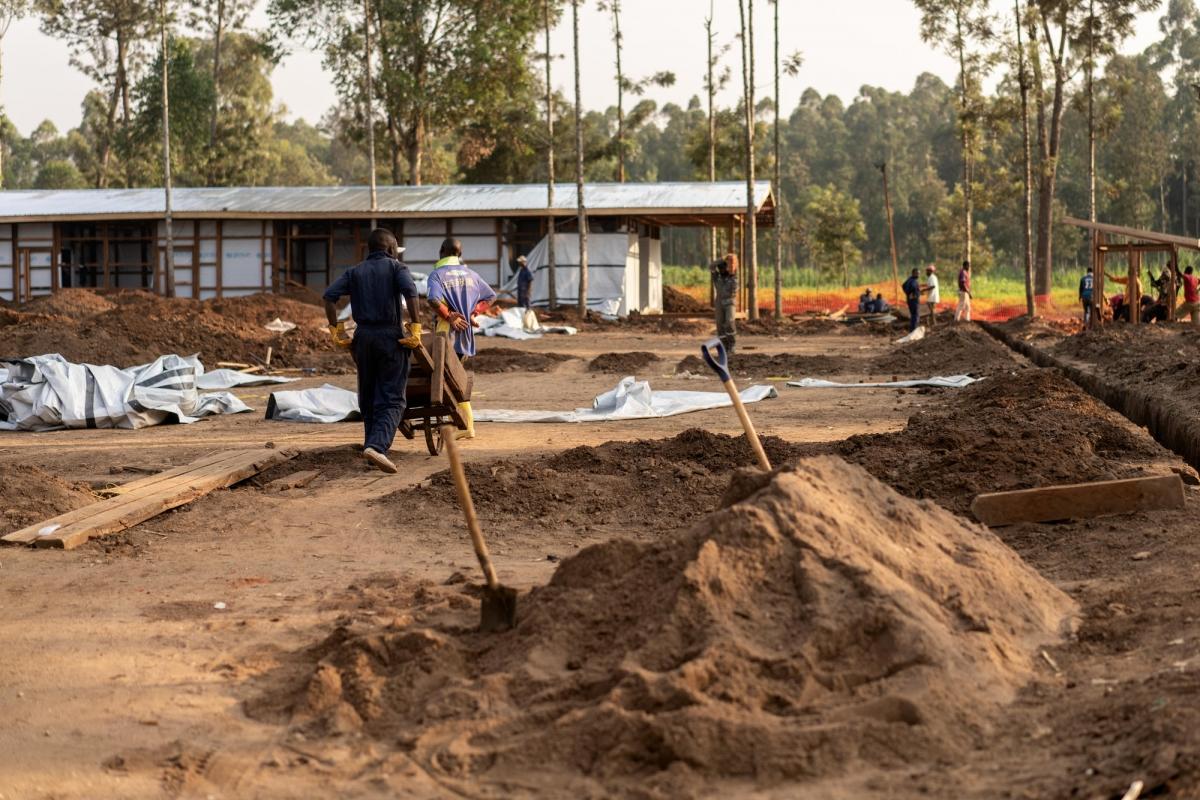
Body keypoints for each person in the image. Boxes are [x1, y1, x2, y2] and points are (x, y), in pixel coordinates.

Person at [323, 228, 421, 474]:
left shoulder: (354, 271)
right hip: (389, 336)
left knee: (368, 394)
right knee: (393, 398)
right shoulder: (397, 268)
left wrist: (336, 330)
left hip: (363, 338)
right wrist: (416, 327)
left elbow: (329, 297)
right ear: (390, 249)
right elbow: (411, 292)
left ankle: (370, 445)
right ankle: (377, 447)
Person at [427, 238, 497, 439]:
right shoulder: (471, 274)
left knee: (449, 381)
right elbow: (491, 296)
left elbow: (432, 299)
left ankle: (465, 426)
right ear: (460, 253)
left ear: (441, 251)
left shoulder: (437, 275)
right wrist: (473, 313)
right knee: (456, 378)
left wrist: (449, 316)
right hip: (465, 337)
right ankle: (462, 424)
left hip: (445, 335)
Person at [711, 252, 739, 354]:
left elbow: (734, 289)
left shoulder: (733, 276)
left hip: (730, 301)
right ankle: (723, 346)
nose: (723, 270)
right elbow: (711, 266)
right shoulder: (717, 277)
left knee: (729, 321)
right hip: (719, 302)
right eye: (721, 268)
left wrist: (730, 263)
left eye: (725, 267)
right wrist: (723, 259)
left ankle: (732, 344)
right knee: (719, 324)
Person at [902, 268, 922, 332]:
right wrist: (914, 293)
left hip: (910, 299)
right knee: (915, 315)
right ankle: (914, 329)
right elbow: (914, 288)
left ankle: (912, 329)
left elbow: (903, 285)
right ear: (913, 273)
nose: (918, 275)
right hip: (913, 300)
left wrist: (908, 294)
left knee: (913, 315)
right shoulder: (913, 281)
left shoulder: (909, 279)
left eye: (919, 273)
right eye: (917, 273)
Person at [922, 264, 940, 329]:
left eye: (927, 271)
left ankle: (934, 323)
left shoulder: (932, 277)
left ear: (930, 271)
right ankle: (931, 322)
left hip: (932, 297)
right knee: (931, 310)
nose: (926, 272)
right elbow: (928, 284)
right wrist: (921, 285)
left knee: (931, 310)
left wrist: (924, 290)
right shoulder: (931, 277)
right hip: (931, 296)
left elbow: (932, 286)